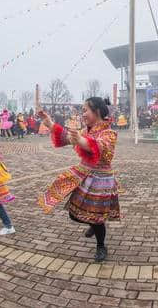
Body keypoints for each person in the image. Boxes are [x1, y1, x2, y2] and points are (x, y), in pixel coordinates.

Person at [38, 97, 119, 262]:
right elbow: (67, 137)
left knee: (97, 219)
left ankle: (101, 246)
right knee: (74, 214)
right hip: (84, 175)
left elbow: (97, 147)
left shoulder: (109, 133)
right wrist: (51, 124)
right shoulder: (86, 130)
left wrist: (80, 140)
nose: (83, 114)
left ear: (96, 111)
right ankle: (92, 225)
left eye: (85, 110)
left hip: (101, 180)